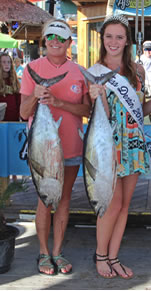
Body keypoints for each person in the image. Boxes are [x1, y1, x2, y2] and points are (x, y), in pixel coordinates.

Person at [20, 19, 91, 276]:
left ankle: (58, 251)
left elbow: (86, 110)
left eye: (61, 38)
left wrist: (58, 102)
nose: (55, 42)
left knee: (64, 200)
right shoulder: (31, 69)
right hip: (41, 149)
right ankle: (42, 251)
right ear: (45, 40)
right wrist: (36, 96)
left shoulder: (79, 71)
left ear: (69, 43)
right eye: (51, 37)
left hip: (71, 147)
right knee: (44, 200)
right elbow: (23, 112)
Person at [87, 14, 151, 279]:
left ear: (127, 42)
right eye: (109, 36)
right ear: (102, 40)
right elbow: (96, 116)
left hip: (134, 141)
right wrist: (96, 98)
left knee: (125, 205)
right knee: (110, 204)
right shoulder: (94, 71)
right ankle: (101, 255)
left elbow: (142, 109)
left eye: (119, 37)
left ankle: (113, 257)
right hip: (107, 144)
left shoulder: (137, 71)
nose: (114, 42)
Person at [0, 53, 21, 122]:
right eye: (4, 62)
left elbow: (19, 101)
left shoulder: (14, 81)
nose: (7, 64)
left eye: (9, 62)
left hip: (14, 120)